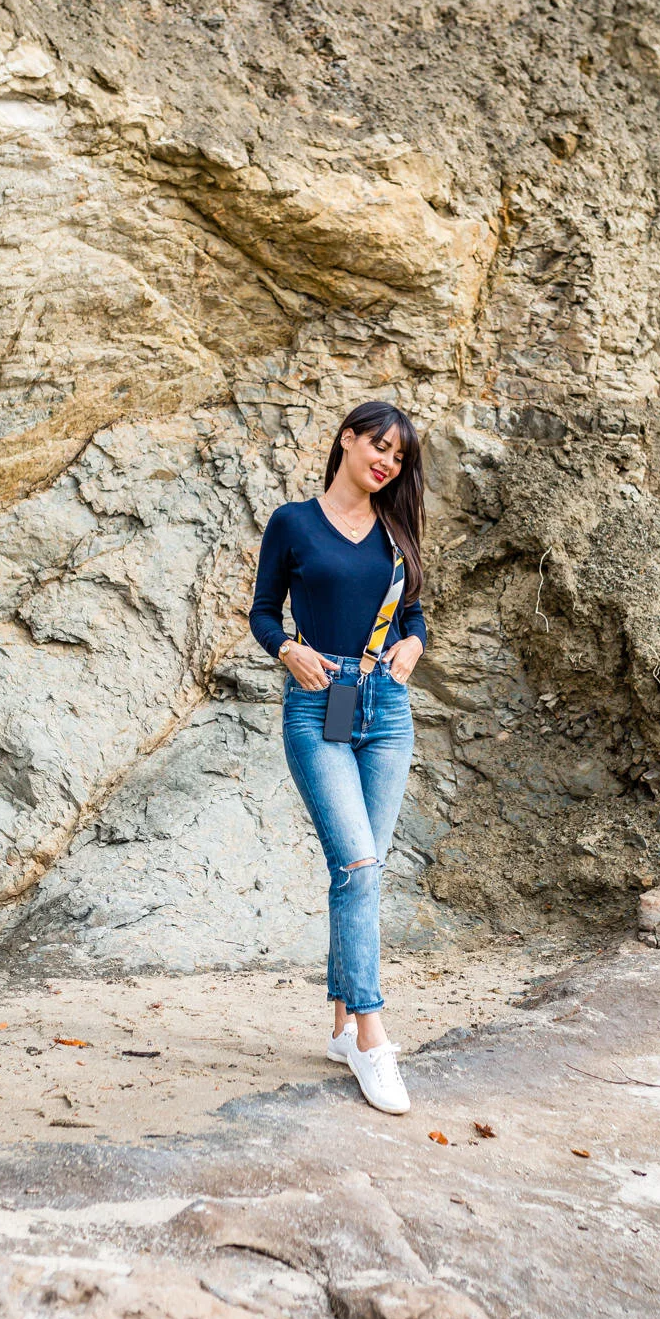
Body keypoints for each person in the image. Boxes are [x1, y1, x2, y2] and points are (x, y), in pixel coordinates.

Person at [249, 401, 427, 1114]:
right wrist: (286, 649)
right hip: (318, 702)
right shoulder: (293, 522)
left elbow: (411, 616)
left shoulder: (394, 530)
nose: (385, 463)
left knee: (362, 873)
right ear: (346, 440)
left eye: (398, 458)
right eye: (378, 447)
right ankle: (371, 1039)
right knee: (357, 863)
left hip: (384, 709)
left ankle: (337, 1026)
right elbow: (263, 610)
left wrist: (413, 643)